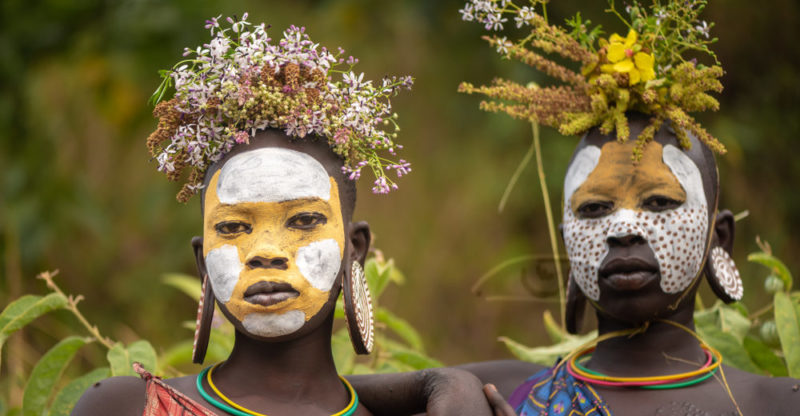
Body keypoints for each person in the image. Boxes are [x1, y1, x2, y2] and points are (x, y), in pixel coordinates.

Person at [72, 15, 492, 416]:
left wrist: (452, 387)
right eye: (233, 227)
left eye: (304, 221)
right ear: (203, 261)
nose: (266, 252)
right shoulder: (126, 408)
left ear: (355, 250)